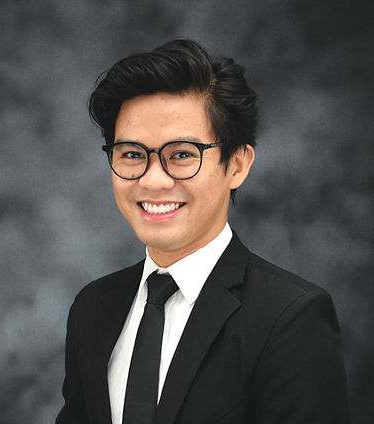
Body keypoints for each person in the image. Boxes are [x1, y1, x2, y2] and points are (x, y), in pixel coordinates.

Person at [56, 39, 349, 424]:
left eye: (181, 154)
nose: (153, 180)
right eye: (132, 154)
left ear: (237, 164)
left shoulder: (291, 318)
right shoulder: (92, 308)